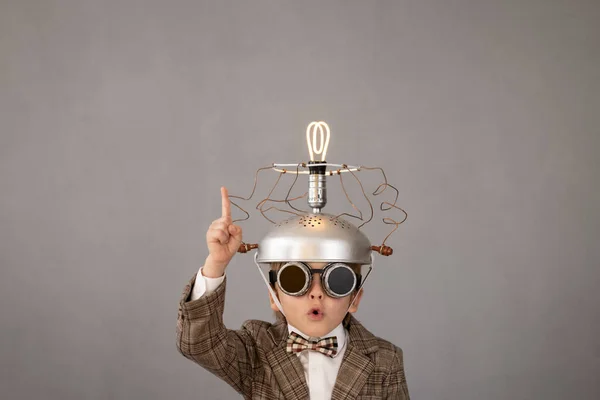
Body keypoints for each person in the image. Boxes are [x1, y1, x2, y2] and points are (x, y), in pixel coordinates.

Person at [176, 187, 410, 399]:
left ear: (355, 298)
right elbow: (198, 343)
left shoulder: (385, 359)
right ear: (274, 297)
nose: (316, 293)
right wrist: (216, 264)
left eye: (337, 281)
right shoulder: (256, 350)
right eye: (296, 279)